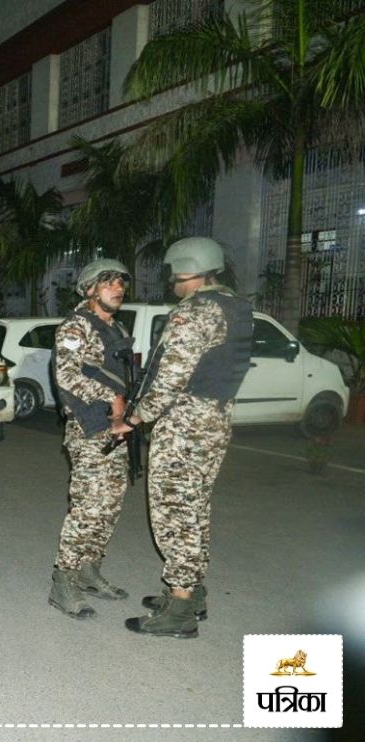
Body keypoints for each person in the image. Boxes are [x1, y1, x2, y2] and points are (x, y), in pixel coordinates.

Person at [117, 237, 253, 638]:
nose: (170, 279)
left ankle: (179, 610)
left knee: (175, 513)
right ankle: (192, 593)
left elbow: (171, 378)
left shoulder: (196, 311)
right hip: (214, 420)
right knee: (194, 509)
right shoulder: (237, 306)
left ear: (186, 268)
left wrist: (136, 417)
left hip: (185, 425)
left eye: (172, 271)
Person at [47, 259, 134, 620]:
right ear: (90, 289)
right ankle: (63, 580)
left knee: (110, 505)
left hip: (116, 428)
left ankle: (89, 569)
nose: (118, 289)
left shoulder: (116, 328)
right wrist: (111, 397)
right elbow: (66, 376)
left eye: (121, 283)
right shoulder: (76, 326)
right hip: (88, 429)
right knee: (87, 508)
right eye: (108, 283)